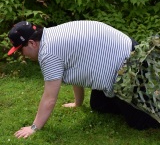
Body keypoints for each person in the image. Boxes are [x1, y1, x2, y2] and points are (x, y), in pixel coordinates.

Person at [7, 20, 160, 139]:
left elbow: (49, 98)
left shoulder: (48, 53)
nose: (22, 55)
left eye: (21, 50)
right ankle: (130, 100)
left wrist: (34, 127)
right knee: (98, 104)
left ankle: (144, 99)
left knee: (138, 122)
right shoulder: (50, 35)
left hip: (129, 65)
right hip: (123, 51)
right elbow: (74, 66)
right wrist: (77, 103)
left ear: (32, 43)